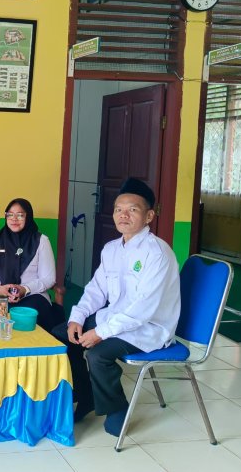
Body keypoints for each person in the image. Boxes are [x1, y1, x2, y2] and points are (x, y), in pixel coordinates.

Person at [51, 178, 181, 437]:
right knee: (61, 335)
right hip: (116, 319)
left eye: (132, 209)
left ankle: (116, 409)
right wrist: (77, 318)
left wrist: (100, 332)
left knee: (99, 355)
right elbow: (96, 289)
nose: (124, 215)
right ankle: (86, 395)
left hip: (148, 327)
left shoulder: (157, 253)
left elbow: (143, 309)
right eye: (119, 209)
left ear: (149, 216)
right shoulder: (111, 249)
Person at [0, 198, 60, 331]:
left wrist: (25, 289)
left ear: (28, 217)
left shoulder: (41, 241)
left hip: (32, 295)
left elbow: (48, 278)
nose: (14, 219)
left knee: (33, 315)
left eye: (20, 215)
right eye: (10, 214)